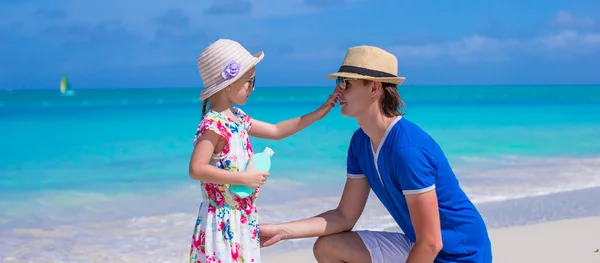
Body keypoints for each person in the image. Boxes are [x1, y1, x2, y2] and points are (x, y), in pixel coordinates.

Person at [259, 45, 493, 263]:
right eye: (340, 82)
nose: (338, 90)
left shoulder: (408, 150)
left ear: (374, 87)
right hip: (421, 245)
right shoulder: (360, 142)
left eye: (347, 83)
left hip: (461, 256)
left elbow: (431, 242)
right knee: (328, 247)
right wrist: (281, 231)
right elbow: (344, 216)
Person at [188, 39, 338, 263]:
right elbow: (196, 169)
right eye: (249, 81)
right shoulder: (214, 125)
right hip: (222, 220)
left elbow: (276, 130)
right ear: (228, 83)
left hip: (242, 218)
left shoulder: (238, 118)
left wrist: (319, 112)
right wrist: (242, 177)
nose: (253, 87)